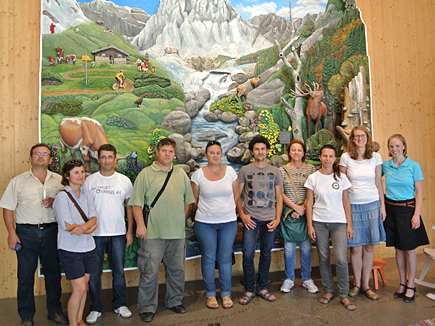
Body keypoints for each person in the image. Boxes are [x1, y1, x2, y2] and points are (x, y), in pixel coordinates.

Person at [0, 143, 68, 326]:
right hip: (25, 233)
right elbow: (7, 208)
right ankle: (26, 316)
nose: (40, 156)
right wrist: (11, 233)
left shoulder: (59, 181)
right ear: (29, 158)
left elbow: (68, 203)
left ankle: (54, 311)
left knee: (53, 274)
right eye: (36, 153)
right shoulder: (17, 181)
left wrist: (56, 201)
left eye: (44, 154)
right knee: (25, 276)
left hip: (51, 232)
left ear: (50, 159)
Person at [129, 138, 195, 323]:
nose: (167, 154)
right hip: (152, 233)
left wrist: (178, 221)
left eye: (170, 151)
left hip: (176, 234)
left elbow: (187, 201)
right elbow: (136, 203)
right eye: (164, 150)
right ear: (157, 152)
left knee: (176, 271)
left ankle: (174, 301)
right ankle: (147, 307)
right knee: (149, 272)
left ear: (174, 154)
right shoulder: (146, 174)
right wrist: (141, 226)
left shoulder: (181, 174)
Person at [83, 144, 134, 324]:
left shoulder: (124, 181)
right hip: (94, 234)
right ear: (98, 159)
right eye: (103, 157)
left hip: (118, 233)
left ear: (115, 159)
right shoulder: (90, 181)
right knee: (94, 273)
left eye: (110, 157)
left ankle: (119, 304)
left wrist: (129, 231)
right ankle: (95, 307)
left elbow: (129, 208)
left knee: (119, 272)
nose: (106, 160)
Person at [305, 145, 356, 311]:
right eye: (325, 156)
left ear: (335, 159)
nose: (327, 159)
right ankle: (328, 290)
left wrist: (349, 224)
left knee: (341, 259)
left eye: (331, 156)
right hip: (319, 223)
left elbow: (346, 202)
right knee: (324, 257)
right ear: (320, 157)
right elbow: (309, 203)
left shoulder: (341, 177)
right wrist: (310, 225)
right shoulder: (313, 178)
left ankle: (344, 294)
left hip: (339, 223)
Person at [191, 141, 240, 309]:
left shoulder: (230, 172)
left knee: (225, 258)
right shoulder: (198, 175)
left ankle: (226, 294)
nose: (215, 155)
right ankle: (210, 294)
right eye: (211, 152)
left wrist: (227, 209)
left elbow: (236, 193)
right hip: (205, 223)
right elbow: (194, 201)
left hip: (228, 222)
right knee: (209, 258)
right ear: (206, 155)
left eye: (218, 152)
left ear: (222, 154)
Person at [339, 126, 386, 301]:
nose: (360, 138)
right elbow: (343, 187)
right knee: (356, 247)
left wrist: (382, 206)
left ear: (368, 137)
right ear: (352, 139)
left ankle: (366, 285)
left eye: (363, 135)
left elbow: (379, 183)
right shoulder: (345, 158)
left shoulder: (375, 157)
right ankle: (356, 283)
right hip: (353, 206)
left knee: (368, 246)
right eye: (356, 136)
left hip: (372, 204)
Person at [237, 135, 283, 305]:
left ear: (267, 151)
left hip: (270, 219)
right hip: (251, 220)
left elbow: (279, 196)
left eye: (262, 148)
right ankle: (249, 289)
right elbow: (237, 195)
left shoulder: (275, 171)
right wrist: (242, 214)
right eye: (256, 149)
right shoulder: (245, 170)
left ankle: (263, 287)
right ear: (252, 152)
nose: (260, 152)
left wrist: (277, 218)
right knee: (248, 254)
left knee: (266, 254)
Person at [383, 134, 429, 303]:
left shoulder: (413, 166)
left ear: (404, 147)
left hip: (408, 210)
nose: (394, 149)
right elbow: (372, 177)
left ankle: (411, 284)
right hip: (390, 210)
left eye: (397, 146)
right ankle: (402, 283)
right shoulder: (385, 166)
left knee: (409, 250)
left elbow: (420, 192)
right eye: (391, 146)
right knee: (398, 249)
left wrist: (416, 215)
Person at [53, 159, 98, 326]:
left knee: (84, 286)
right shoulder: (62, 197)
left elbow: (94, 217)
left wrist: (84, 228)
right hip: (70, 249)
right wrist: (89, 229)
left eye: (81, 172)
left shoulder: (87, 194)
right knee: (78, 289)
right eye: (76, 172)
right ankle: (73, 324)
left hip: (89, 247)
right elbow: (67, 225)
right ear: (67, 176)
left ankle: (79, 320)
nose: (81, 175)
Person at [279, 140, 318, 294]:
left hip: (306, 212)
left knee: (306, 248)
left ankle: (307, 279)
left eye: (299, 150)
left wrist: (303, 209)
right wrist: (295, 208)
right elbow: (280, 192)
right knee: (288, 248)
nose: (296, 153)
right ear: (289, 152)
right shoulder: (281, 170)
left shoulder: (311, 169)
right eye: (293, 150)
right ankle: (289, 279)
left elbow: (313, 190)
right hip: (289, 213)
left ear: (303, 153)